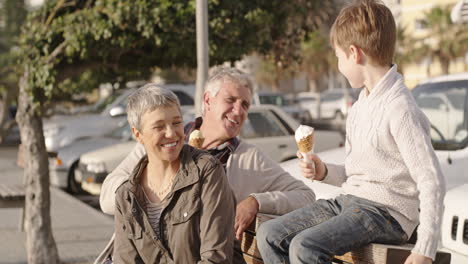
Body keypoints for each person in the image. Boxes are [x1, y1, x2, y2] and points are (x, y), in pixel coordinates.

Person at [256, 1, 446, 264]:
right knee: (269, 234)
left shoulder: (401, 109)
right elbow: (360, 173)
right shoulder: (359, 107)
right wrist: (324, 172)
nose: (338, 65)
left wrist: (425, 248)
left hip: (388, 214)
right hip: (351, 203)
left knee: (305, 247)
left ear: (355, 54)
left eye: (338, 57)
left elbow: (431, 180)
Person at [100, 67, 316, 263]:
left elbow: (305, 195)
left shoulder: (248, 158)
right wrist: (155, 188)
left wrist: (256, 201)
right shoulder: (166, 140)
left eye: (245, 105)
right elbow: (108, 198)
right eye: (230, 100)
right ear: (208, 100)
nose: (239, 111)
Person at [113, 84, 236, 263]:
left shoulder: (207, 172)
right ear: (138, 134)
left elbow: (216, 258)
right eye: (159, 127)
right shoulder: (126, 196)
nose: (171, 133)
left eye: (176, 123)